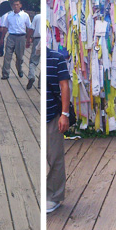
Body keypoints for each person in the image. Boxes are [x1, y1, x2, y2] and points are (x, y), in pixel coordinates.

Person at [46, 47, 70, 213]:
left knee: (55, 156)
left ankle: (55, 196)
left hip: (53, 115)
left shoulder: (57, 58)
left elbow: (64, 86)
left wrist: (64, 114)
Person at [0, 0, 32, 81]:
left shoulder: (25, 15)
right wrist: (2, 38)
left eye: (17, 5)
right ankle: (5, 73)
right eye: (14, 5)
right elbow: (6, 27)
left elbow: (29, 27)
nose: (16, 6)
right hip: (11, 36)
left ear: (20, 5)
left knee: (20, 57)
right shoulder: (9, 16)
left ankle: (19, 69)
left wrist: (28, 38)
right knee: (7, 55)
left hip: (21, 37)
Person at [26, 12, 41, 89]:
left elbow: (31, 29)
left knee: (33, 60)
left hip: (37, 39)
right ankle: (41, 83)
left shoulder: (38, 16)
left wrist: (28, 39)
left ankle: (31, 76)